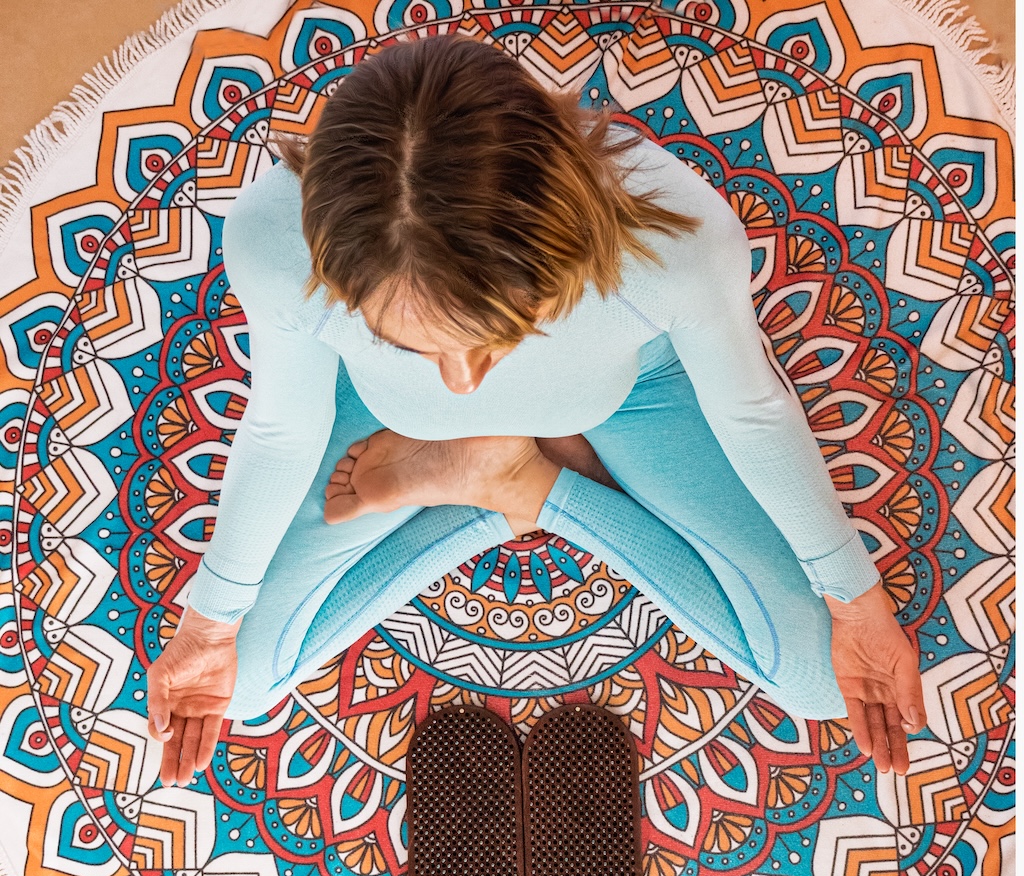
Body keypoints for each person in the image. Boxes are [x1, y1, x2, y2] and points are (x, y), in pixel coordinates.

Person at [145, 33, 926, 791]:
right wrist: (210, 625)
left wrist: (856, 603)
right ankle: (500, 474)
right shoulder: (270, 234)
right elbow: (283, 426)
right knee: (233, 688)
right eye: (413, 345)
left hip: (637, 391)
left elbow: (752, 412)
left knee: (824, 679)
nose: (462, 387)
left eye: (499, 339)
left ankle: (523, 484)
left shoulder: (676, 234)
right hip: (376, 411)